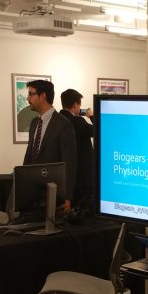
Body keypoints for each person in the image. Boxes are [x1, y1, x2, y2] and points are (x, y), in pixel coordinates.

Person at [22, 79, 77, 210]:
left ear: (43, 96)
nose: (28, 98)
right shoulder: (35, 123)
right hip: (32, 193)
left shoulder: (64, 124)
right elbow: (29, 156)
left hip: (54, 194)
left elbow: (70, 162)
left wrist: (68, 197)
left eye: (31, 94)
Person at [59, 88, 94, 208]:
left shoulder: (57, 121)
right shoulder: (77, 122)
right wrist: (92, 116)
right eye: (79, 105)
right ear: (75, 105)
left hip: (63, 177)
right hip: (82, 178)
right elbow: (100, 132)